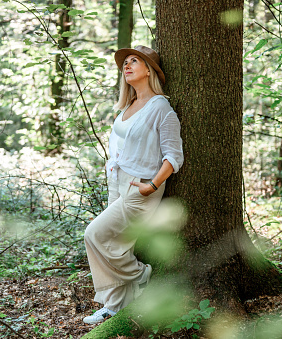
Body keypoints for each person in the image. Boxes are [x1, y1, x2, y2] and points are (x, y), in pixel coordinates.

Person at [83, 45, 184, 324]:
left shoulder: (161, 108)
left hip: (140, 186)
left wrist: (151, 185)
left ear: (149, 70)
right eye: (125, 62)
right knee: (118, 242)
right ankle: (115, 307)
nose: (126, 66)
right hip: (118, 180)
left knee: (95, 235)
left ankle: (140, 275)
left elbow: (173, 156)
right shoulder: (127, 106)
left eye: (134, 61)